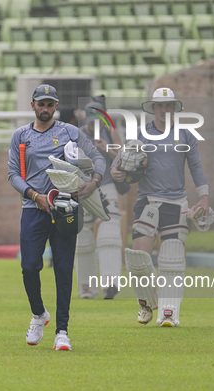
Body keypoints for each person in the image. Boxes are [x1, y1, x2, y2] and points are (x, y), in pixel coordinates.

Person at [8, 84, 106, 351]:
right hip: (33, 209)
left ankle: (62, 331)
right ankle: (39, 314)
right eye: (41, 104)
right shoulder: (21, 135)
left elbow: (98, 157)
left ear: (55, 106)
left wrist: (94, 182)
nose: (45, 109)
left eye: (50, 105)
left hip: (66, 208)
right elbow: (13, 174)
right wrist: (33, 195)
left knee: (63, 270)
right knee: (29, 266)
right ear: (33, 106)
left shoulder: (70, 132)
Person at [111, 87, 211, 327]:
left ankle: (169, 313)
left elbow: (195, 166)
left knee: (172, 259)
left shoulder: (186, 135)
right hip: (147, 201)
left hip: (177, 203)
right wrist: (116, 172)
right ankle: (146, 304)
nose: (165, 110)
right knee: (138, 257)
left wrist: (204, 197)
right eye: (160, 106)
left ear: (174, 108)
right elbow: (119, 163)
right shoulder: (141, 134)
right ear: (153, 108)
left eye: (169, 106)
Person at [76, 99, 127, 299]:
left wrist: (107, 149)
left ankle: (111, 284)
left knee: (110, 233)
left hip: (106, 186)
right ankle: (86, 288)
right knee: (82, 239)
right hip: (83, 188)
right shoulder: (77, 134)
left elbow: (125, 161)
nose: (93, 125)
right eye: (91, 121)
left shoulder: (111, 134)